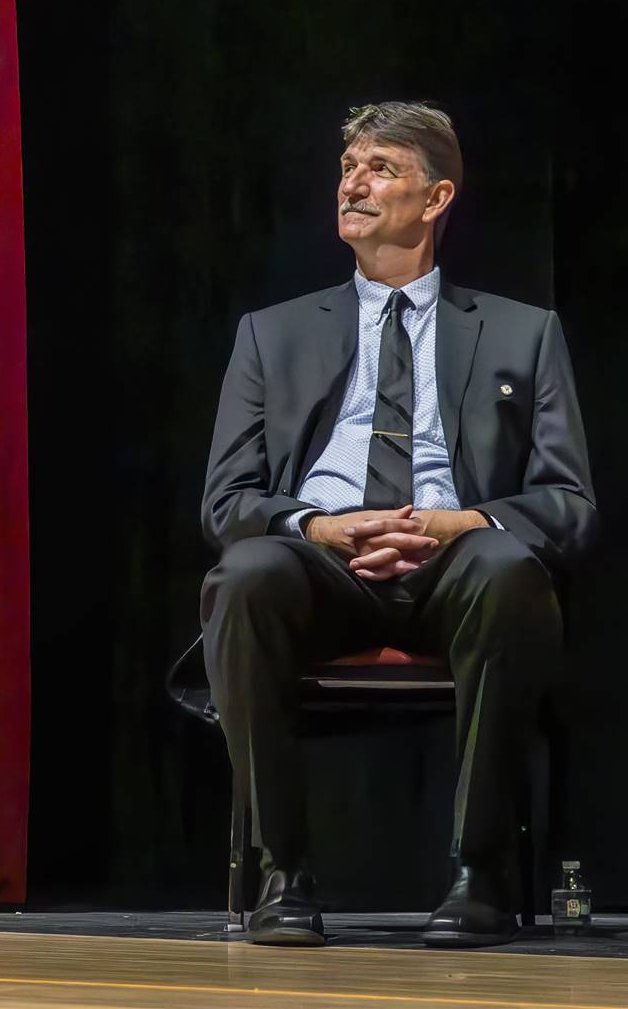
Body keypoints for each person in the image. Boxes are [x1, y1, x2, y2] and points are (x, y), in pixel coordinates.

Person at [199, 101, 596, 948]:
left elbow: (568, 503)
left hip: (456, 564)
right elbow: (228, 500)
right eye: (348, 167)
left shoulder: (525, 335)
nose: (354, 182)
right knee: (244, 574)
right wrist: (317, 526)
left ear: (438, 196)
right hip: (323, 563)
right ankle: (284, 874)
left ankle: (481, 874)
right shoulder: (269, 335)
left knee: (506, 566)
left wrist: (463, 522)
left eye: (380, 167)